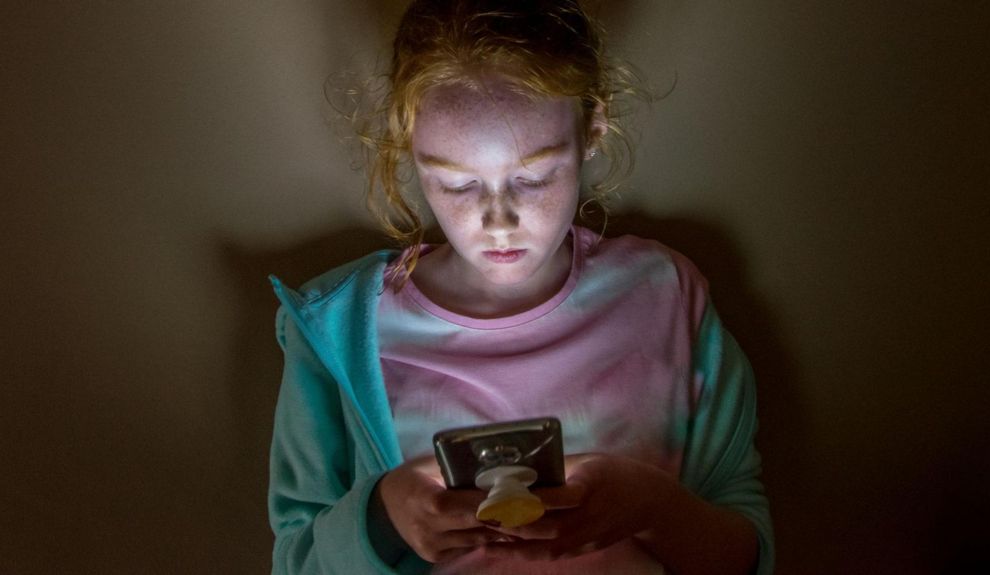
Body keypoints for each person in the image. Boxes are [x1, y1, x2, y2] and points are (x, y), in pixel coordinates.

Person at [268, 1, 774, 573]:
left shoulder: (666, 297)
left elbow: (744, 554)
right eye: (457, 184)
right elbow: (297, 561)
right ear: (408, 143)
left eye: (533, 178)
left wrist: (650, 506)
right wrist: (384, 517)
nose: (499, 220)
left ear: (592, 130)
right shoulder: (337, 329)